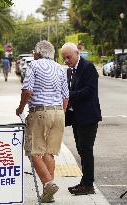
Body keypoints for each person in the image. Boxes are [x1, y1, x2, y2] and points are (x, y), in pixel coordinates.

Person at [16, 40, 69, 203]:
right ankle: (48, 194)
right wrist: (60, 112)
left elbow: (27, 90)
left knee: (34, 152)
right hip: (59, 113)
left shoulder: (34, 65)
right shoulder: (60, 68)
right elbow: (66, 96)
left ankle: (48, 183)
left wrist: (20, 108)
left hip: (39, 112)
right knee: (49, 152)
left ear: (38, 53)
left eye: (34, 52)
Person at [61, 42, 102, 195]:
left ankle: (89, 185)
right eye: (64, 58)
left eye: (68, 57)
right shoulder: (70, 71)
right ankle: (84, 182)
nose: (66, 60)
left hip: (88, 116)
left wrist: (68, 95)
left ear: (77, 53)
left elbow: (89, 90)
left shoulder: (88, 67)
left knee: (86, 150)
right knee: (81, 150)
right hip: (76, 117)